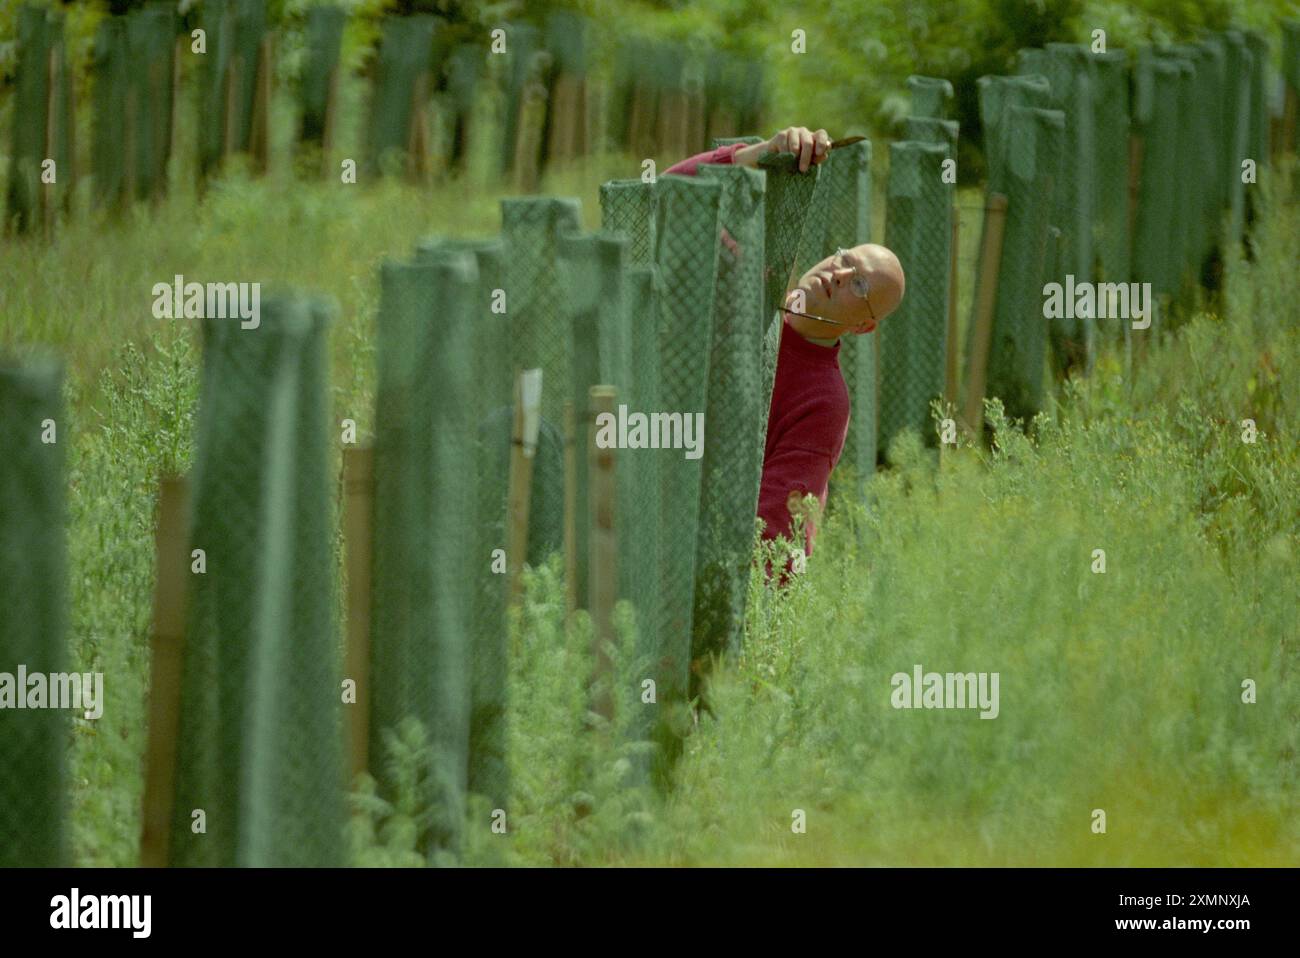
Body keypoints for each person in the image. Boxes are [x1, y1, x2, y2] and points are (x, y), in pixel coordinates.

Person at [666, 126, 906, 560]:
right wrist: (757, 155)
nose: (840, 274)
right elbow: (666, 198)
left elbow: (778, 534)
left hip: (689, 551)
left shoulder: (823, 402)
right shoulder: (746, 282)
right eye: (845, 260)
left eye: (861, 286)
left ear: (863, 328)